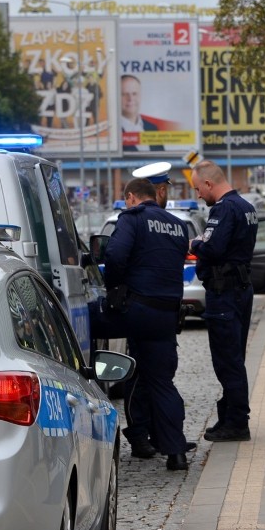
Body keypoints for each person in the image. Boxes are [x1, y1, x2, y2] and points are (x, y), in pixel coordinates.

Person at [89, 177, 192, 470]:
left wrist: (114, 289)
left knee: (87, 326)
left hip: (138, 310)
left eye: (127, 200)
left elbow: (115, 255)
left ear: (132, 197)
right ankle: (175, 451)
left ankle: (135, 434)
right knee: (161, 381)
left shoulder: (132, 219)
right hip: (167, 314)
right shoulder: (177, 224)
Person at [190, 160, 259, 442]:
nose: (198, 195)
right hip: (240, 289)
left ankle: (237, 422)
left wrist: (195, 244)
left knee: (227, 360)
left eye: (198, 188)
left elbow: (213, 247)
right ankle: (228, 415)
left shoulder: (224, 209)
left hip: (224, 292)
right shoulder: (246, 207)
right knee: (234, 356)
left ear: (209, 183)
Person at [120, 74, 164, 152]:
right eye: (124, 94)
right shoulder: (110, 132)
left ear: (140, 96)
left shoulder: (152, 128)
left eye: (134, 94)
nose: (130, 99)